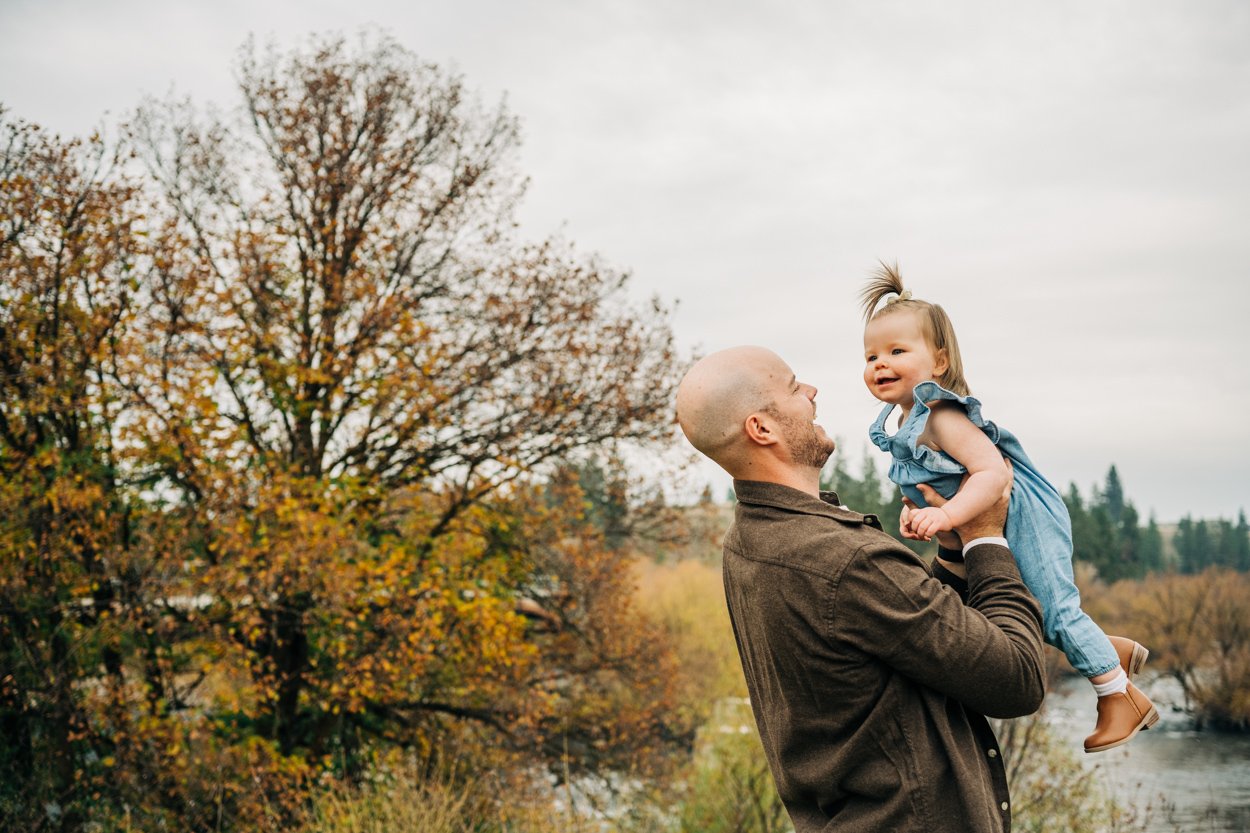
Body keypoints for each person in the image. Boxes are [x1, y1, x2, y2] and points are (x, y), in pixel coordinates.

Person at [675, 345, 1046, 833]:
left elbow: (911, 634)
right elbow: (1016, 678)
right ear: (761, 429)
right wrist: (986, 538)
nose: (812, 392)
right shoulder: (840, 559)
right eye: (793, 388)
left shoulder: (748, 543)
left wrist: (953, 550)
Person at [859, 262, 1157, 754]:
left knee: (1055, 609)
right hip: (988, 522)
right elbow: (939, 485)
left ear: (937, 362)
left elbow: (993, 475)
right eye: (870, 355)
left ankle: (1119, 698)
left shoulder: (942, 414)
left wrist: (950, 516)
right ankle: (1111, 651)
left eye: (896, 351)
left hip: (1024, 513)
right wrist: (918, 515)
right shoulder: (905, 423)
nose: (879, 363)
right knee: (1027, 607)